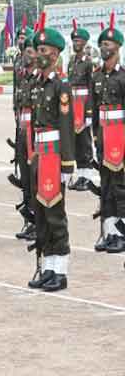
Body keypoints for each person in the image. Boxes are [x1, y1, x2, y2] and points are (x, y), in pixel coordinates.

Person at [27, 15, 75, 292]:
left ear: (55, 54)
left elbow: (66, 126)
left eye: (44, 50)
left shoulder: (61, 85)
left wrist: (68, 164)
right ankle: (48, 267)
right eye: (38, 50)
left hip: (55, 154)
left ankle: (60, 271)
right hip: (40, 154)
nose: (39, 54)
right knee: (41, 213)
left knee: (55, 211)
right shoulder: (37, 84)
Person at [91, 14, 125, 254]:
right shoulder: (97, 76)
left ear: (118, 48)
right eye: (102, 44)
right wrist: (95, 137)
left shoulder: (123, 77)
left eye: (108, 44)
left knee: (121, 187)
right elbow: (94, 110)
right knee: (106, 186)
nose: (104, 47)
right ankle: (111, 232)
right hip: (104, 137)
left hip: (120, 138)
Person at [13, 29, 39, 241]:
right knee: (26, 180)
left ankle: (38, 222)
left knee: (35, 178)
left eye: (31, 51)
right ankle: (29, 220)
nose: (27, 55)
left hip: (34, 134)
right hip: (23, 132)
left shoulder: (39, 79)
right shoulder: (23, 77)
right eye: (26, 51)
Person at [67, 20, 94, 191]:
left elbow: (91, 88)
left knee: (85, 142)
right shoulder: (71, 62)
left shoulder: (88, 62)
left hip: (83, 106)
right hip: (73, 105)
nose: (76, 43)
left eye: (79, 41)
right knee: (76, 142)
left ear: (85, 43)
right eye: (74, 40)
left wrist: (89, 112)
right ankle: (80, 175)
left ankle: (88, 177)